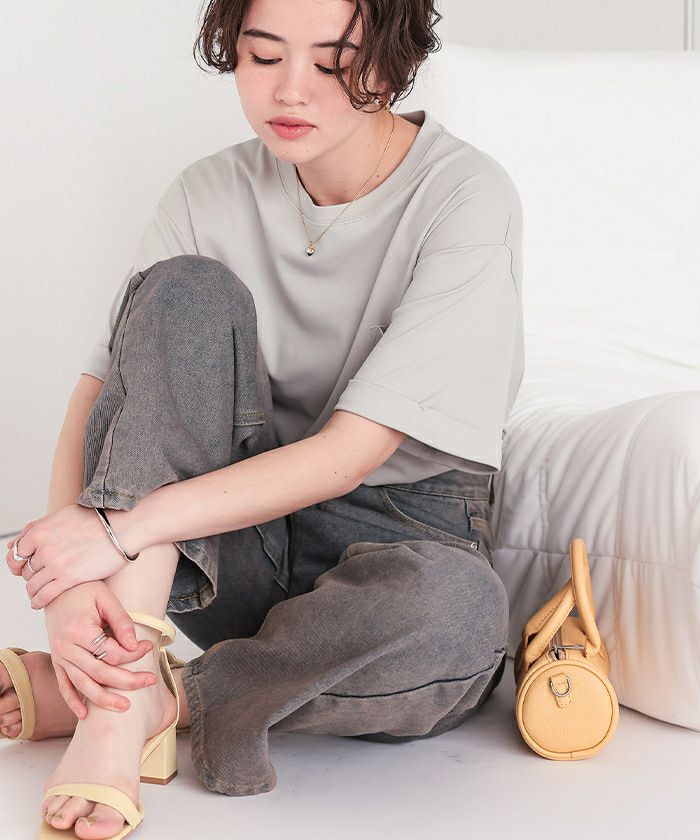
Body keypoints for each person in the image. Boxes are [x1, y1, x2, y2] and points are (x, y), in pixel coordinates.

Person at [2, 0, 524, 836]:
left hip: (397, 537)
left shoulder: (465, 195)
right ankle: (114, 703)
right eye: (264, 55)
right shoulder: (207, 190)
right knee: (184, 290)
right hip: (224, 541)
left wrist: (118, 532)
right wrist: (66, 592)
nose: (291, 90)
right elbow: (102, 394)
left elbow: (354, 452)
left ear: (391, 60)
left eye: (333, 62)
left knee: (458, 614)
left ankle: (153, 698)